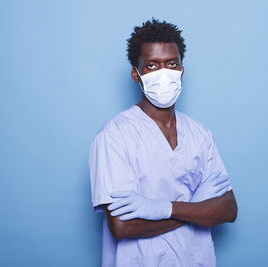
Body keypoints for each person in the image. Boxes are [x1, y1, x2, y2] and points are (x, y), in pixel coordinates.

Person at [89, 18, 238, 267]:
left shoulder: (200, 135)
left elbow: (228, 209)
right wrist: (196, 209)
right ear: (136, 75)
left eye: (171, 64)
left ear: (181, 69)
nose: (163, 73)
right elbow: (122, 226)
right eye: (152, 66)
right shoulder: (115, 136)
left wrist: (162, 209)